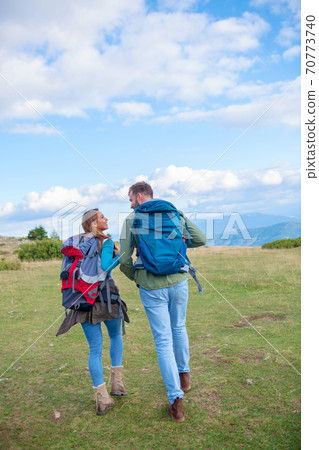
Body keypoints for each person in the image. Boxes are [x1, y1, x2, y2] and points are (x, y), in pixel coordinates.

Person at [119, 182, 206, 422]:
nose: (130, 204)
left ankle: (176, 401)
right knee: (179, 328)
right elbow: (200, 238)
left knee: (163, 340)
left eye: (130, 199)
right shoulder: (174, 213)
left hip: (151, 285)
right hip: (179, 281)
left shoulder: (131, 219)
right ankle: (184, 378)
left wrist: (136, 277)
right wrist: (179, 244)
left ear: (138, 196)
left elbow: (125, 259)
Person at [56, 208, 129, 416]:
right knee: (115, 335)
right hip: (106, 296)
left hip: (82, 300)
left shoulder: (76, 242)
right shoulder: (104, 241)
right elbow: (106, 266)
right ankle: (117, 385)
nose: (106, 218)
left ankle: (102, 399)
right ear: (94, 223)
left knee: (95, 348)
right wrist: (123, 255)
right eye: (102, 217)